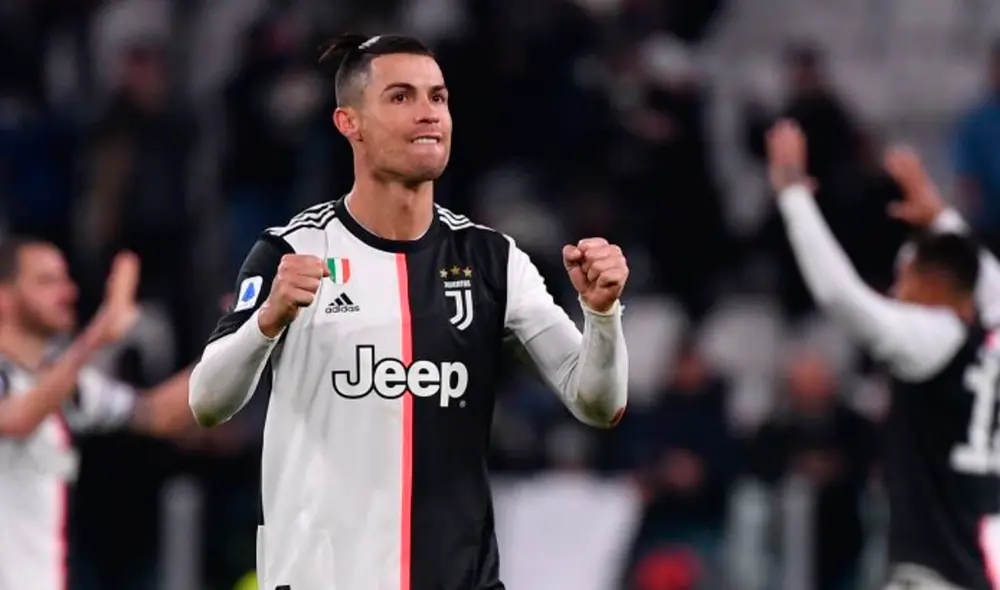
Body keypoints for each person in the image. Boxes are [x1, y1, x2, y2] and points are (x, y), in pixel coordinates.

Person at [189, 33, 630, 590]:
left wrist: (603, 317)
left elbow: (599, 403)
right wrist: (266, 320)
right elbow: (206, 401)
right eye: (401, 97)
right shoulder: (290, 251)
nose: (429, 114)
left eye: (438, 98)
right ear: (349, 123)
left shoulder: (494, 260)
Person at [767, 119, 1000, 590]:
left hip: (937, 573)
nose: (897, 292)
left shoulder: (933, 339)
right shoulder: (988, 338)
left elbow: (841, 297)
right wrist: (942, 219)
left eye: (905, 278)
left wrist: (793, 193)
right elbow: (985, 279)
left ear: (929, 285)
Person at [0, 238, 194, 590]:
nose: (67, 292)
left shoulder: (67, 386)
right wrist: (98, 335)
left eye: (65, 280)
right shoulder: (21, 382)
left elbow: (156, 413)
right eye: (46, 282)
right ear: (3, 296)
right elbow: (16, 419)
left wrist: (243, 339)